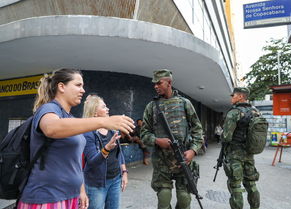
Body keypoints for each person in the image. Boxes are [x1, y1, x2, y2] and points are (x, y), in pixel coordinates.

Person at [18, 68, 134, 209]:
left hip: (70, 196)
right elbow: (52, 128)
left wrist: (82, 191)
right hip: (47, 197)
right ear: (61, 86)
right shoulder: (49, 108)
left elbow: (76, 162)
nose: (83, 90)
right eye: (78, 85)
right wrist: (103, 122)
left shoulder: (71, 118)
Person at [141, 69, 203, 209]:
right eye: (154, 84)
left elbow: (198, 129)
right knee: (163, 199)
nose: (155, 86)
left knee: (184, 199)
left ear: (169, 82)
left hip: (183, 159)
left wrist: (193, 150)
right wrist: (157, 141)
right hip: (162, 162)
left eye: (159, 83)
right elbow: (144, 134)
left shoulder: (184, 103)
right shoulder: (152, 107)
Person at [82, 94, 128, 209]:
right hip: (96, 183)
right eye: (104, 107)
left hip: (115, 179)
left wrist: (124, 172)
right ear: (94, 113)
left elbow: (119, 152)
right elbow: (92, 161)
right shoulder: (88, 132)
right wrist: (107, 148)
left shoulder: (112, 129)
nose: (108, 109)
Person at [221, 87, 260, 209]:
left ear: (241, 97)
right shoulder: (256, 112)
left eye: (233, 96)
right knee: (251, 184)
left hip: (235, 154)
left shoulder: (234, 112)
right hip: (249, 153)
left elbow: (226, 137)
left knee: (236, 186)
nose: (231, 98)